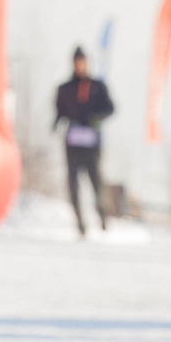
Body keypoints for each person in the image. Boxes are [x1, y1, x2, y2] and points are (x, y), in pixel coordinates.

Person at [53, 48, 116, 237]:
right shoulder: (64, 88)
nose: (79, 65)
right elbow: (59, 110)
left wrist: (96, 118)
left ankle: (103, 215)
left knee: (96, 181)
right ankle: (80, 224)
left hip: (91, 142)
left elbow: (110, 108)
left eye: (82, 61)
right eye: (76, 61)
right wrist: (57, 122)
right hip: (72, 141)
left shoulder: (97, 86)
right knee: (73, 183)